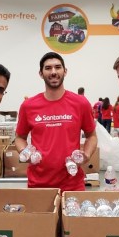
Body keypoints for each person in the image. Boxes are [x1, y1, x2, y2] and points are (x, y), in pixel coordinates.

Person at [15, 52, 97, 192]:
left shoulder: (80, 103)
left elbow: (91, 135)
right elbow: (19, 138)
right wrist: (25, 152)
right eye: (48, 68)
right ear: (41, 73)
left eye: (57, 67)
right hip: (38, 185)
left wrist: (87, 155)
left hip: (72, 184)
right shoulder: (28, 106)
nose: (53, 72)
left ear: (65, 71)